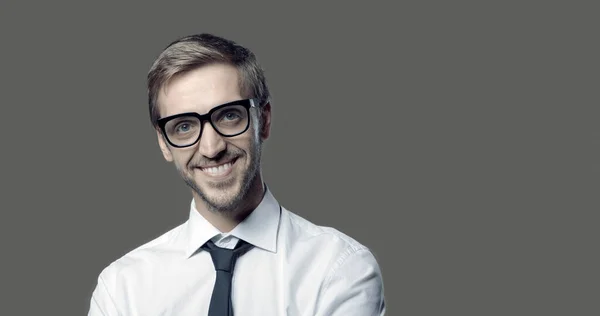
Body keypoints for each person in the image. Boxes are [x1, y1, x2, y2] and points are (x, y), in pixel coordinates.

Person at [87, 33, 386, 316]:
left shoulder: (338, 268)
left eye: (229, 115)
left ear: (263, 120)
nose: (211, 147)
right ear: (164, 144)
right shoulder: (122, 288)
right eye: (184, 126)